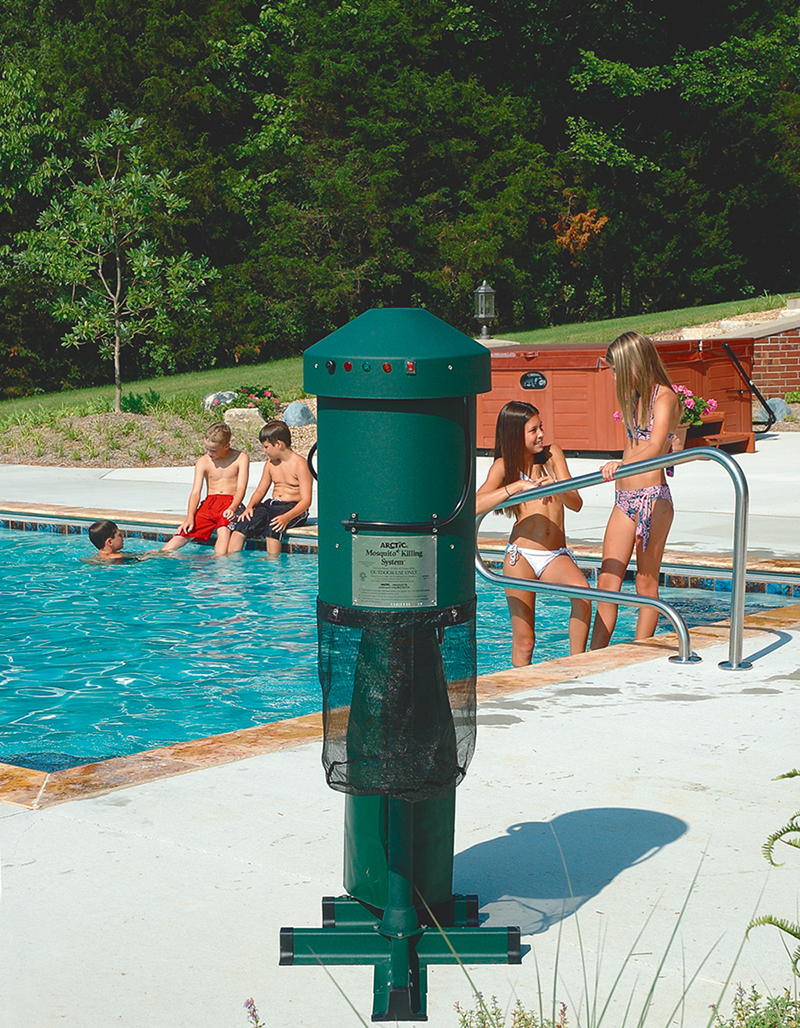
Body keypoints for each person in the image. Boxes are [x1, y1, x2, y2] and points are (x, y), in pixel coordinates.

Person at [476, 400, 591, 665]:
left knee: (584, 595)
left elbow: (576, 504)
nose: (541, 434)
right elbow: (475, 504)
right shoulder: (504, 467)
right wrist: (517, 487)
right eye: (534, 430)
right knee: (525, 640)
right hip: (521, 557)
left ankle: (579, 667)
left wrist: (557, 486)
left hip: (555, 555)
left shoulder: (553, 456)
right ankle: (519, 691)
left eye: (541, 427)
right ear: (516, 434)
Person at [590, 331, 682, 649]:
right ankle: (593, 656)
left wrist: (620, 464)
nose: (613, 375)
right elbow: (635, 446)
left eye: (617, 368)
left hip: (652, 499)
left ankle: (637, 654)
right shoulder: (635, 399)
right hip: (623, 500)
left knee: (645, 583)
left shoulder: (664, 397)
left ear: (635, 364)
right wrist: (623, 464)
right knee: (606, 582)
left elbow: (656, 446)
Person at [162, 421, 249, 556]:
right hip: (209, 504)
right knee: (185, 531)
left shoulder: (240, 458)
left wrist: (233, 507)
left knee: (223, 531)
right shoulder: (203, 461)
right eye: (206, 448)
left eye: (213, 450)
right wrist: (190, 517)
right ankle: (159, 555)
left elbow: (241, 488)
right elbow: (196, 492)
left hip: (231, 503)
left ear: (227, 446)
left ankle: (219, 565)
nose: (208, 453)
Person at [227, 420, 313, 556]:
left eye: (266, 447)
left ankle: (272, 564)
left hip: (293, 508)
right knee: (243, 523)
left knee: (274, 526)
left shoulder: (300, 465)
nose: (264, 450)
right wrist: (250, 507)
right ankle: (230, 562)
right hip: (272, 504)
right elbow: (261, 490)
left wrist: (286, 517)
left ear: (278, 444)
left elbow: (306, 501)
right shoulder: (270, 464)